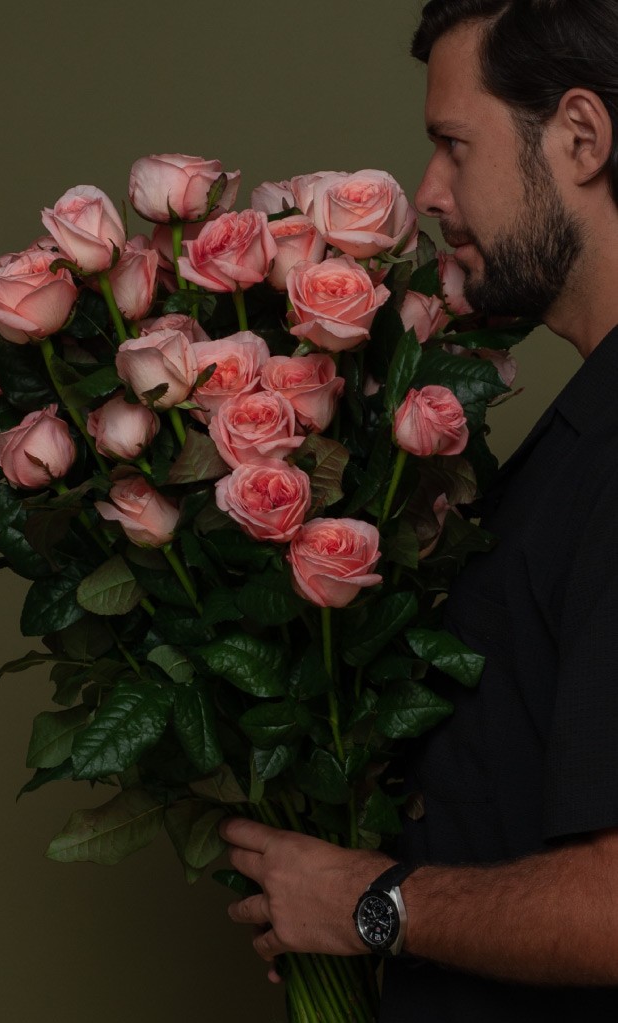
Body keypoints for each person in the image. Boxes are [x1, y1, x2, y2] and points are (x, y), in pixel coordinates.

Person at [219, 1, 618, 1018]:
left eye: (453, 144)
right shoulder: (582, 430)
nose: (430, 191)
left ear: (581, 138)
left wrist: (366, 903)